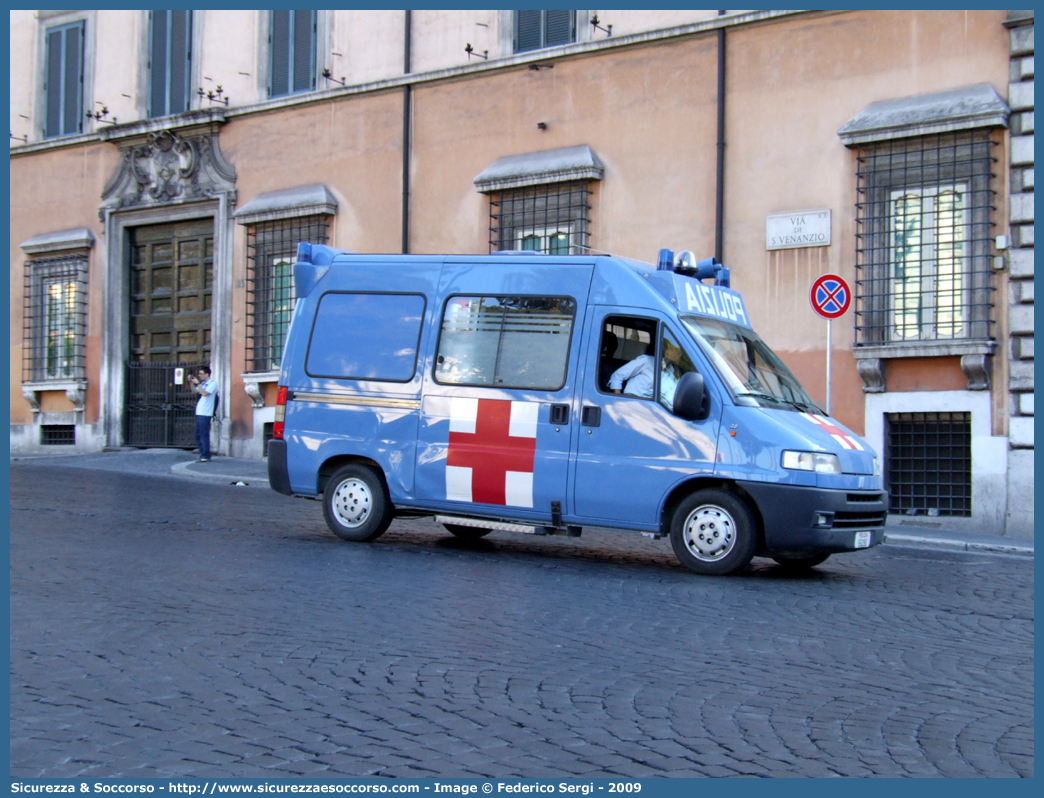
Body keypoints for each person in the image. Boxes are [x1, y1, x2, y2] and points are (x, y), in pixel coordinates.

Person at [187, 366, 217, 462]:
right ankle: (202, 453)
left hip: (206, 413)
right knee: (198, 434)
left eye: (201, 374)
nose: (199, 375)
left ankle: (206, 455)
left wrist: (198, 384)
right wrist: (191, 382)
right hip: (200, 413)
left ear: (207, 374)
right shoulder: (203, 384)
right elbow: (194, 391)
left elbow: (204, 393)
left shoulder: (212, 384)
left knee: (204, 434)